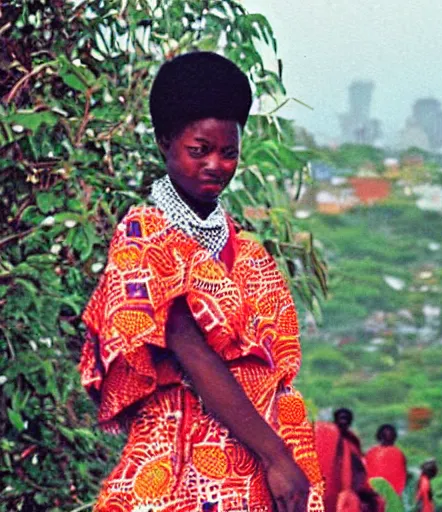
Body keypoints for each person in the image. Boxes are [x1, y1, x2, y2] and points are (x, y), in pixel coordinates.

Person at [80, 51, 324, 512]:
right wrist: (275, 456)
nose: (216, 164)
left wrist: (280, 454)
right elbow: (189, 350)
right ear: (165, 142)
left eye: (228, 152)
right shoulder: (144, 235)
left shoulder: (245, 247)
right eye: (200, 150)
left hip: (260, 459)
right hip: (184, 458)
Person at [315, 408, 384, 512]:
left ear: (350, 422)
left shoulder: (352, 442)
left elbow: (359, 467)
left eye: (347, 419)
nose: (344, 421)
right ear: (335, 419)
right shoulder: (325, 435)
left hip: (348, 487)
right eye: (342, 418)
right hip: (327, 485)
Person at [365, 424, 407, 496]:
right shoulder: (371, 452)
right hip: (377, 492)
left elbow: (401, 475)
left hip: (384, 493)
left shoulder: (398, 453)